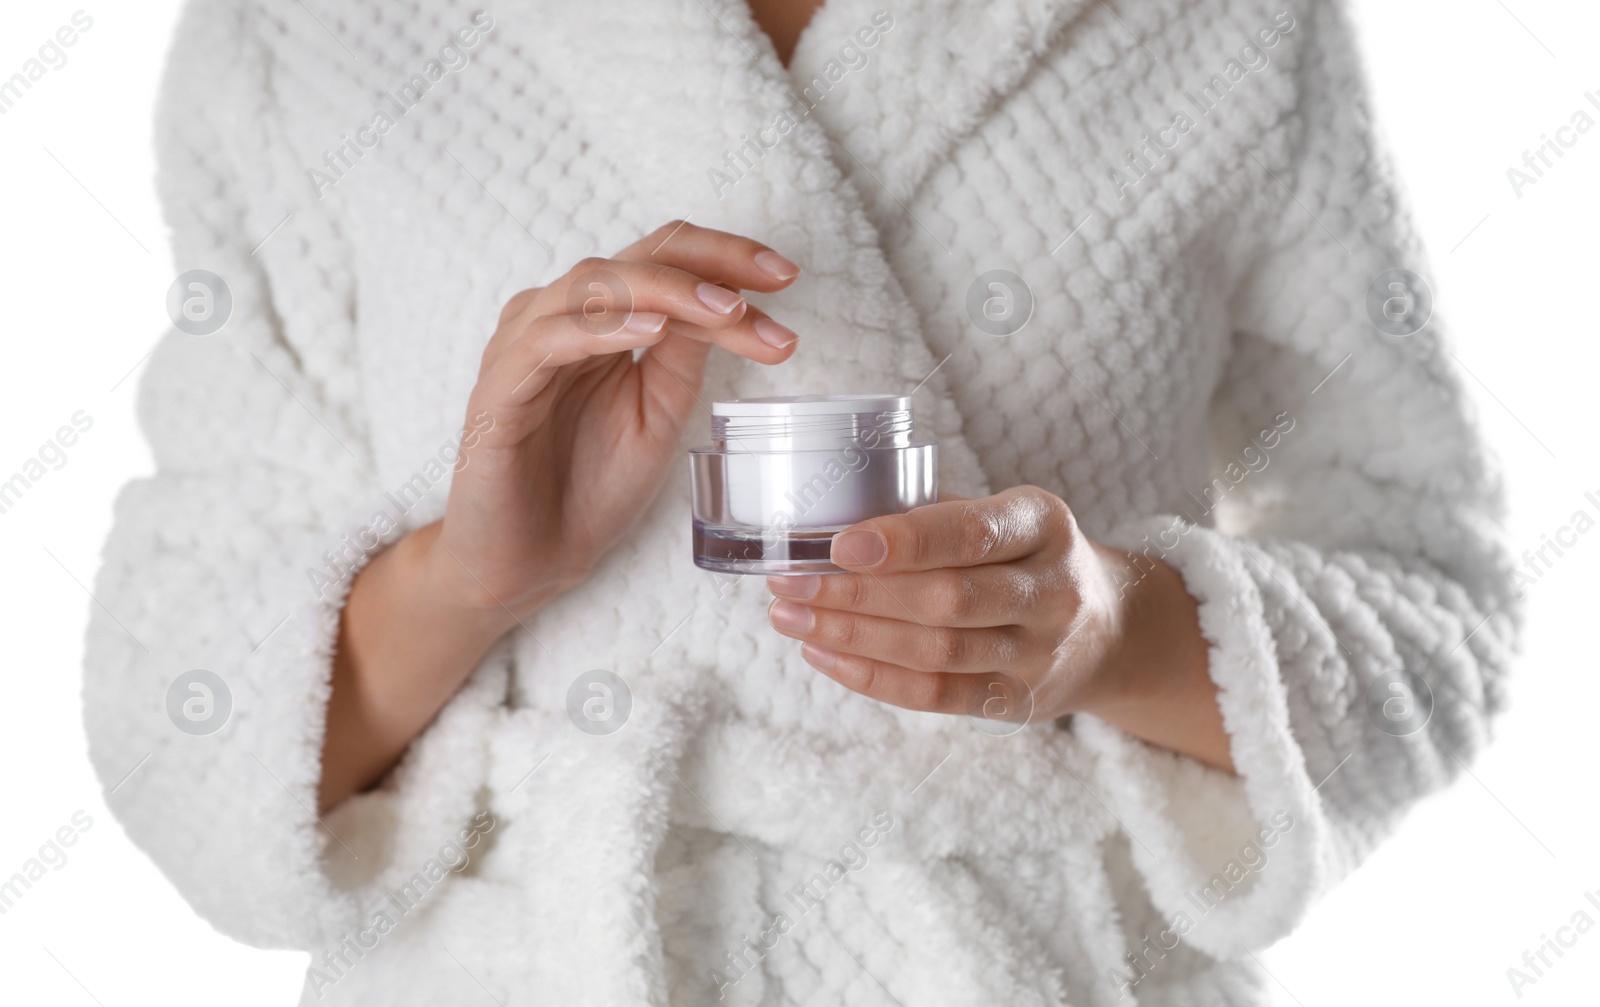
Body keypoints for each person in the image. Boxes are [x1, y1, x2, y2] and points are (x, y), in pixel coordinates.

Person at [85, 0, 1519, 1003]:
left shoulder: (1225, 22)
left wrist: (1114, 632)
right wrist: (467, 578)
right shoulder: (298, 32)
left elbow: (1434, 597)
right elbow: (181, 713)